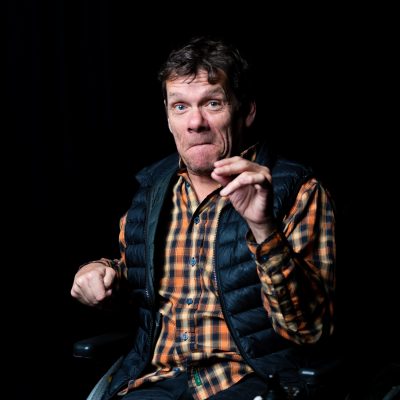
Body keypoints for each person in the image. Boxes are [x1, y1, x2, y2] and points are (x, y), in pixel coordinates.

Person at [71, 36, 336, 400]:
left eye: (213, 103)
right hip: (157, 381)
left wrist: (263, 228)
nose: (196, 122)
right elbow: (134, 274)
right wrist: (100, 273)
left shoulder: (295, 191)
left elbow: (309, 329)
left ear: (246, 110)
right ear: (167, 116)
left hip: (250, 381)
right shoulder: (151, 192)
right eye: (180, 107)